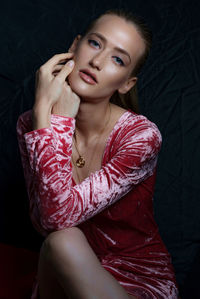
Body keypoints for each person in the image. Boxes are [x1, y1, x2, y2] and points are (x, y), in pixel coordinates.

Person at [16, 9, 179, 299]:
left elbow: (57, 218)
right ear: (74, 47)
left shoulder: (141, 137)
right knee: (61, 242)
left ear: (127, 83)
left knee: (63, 238)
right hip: (63, 269)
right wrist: (45, 120)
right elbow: (44, 224)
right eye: (95, 43)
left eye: (118, 59)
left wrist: (52, 119)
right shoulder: (31, 124)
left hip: (135, 277)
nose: (98, 61)